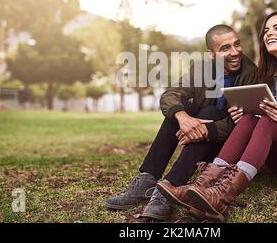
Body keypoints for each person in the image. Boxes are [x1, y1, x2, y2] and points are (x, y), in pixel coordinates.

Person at [157, 11, 277, 222]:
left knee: (268, 123)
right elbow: (262, 126)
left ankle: (221, 196)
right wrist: (246, 115)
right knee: (249, 120)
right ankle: (202, 187)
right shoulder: (269, 78)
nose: (269, 33)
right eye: (266, 30)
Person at [105, 24, 258, 221]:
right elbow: (170, 94)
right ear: (211, 54)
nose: (235, 52)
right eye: (225, 48)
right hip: (202, 137)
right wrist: (184, 118)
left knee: (210, 111)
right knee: (181, 107)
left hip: (225, 145)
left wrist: (204, 128)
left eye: (237, 45)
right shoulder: (201, 68)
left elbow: (241, 125)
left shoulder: (251, 73)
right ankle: (147, 180)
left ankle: (169, 188)